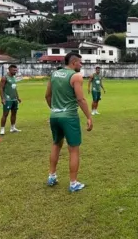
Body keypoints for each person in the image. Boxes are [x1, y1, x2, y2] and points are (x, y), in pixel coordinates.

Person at [45, 53, 93, 192]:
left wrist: (55, 110)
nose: (81, 65)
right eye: (80, 62)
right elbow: (81, 99)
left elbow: (47, 95)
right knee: (73, 149)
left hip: (54, 115)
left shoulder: (54, 74)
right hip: (69, 117)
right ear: (74, 62)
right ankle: (73, 183)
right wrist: (89, 117)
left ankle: (51, 176)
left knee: (56, 144)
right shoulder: (76, 76)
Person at [0, 65, 22, 135]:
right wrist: (3, 98)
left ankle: (13, 127)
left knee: (14, 113)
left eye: (16, 70)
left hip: (14, 99)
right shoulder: (4, 78)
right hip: (7, 99)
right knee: (5, 114)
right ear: (9, 70)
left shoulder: (14, 77)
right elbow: (1, 89)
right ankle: (2, 129)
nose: (15, 71)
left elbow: (14, 88)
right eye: (13, 70)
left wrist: (18, 97)